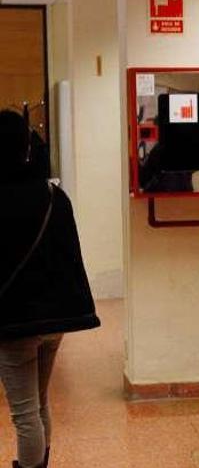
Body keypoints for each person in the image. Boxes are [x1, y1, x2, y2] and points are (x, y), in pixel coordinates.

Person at [0, 109, 101, 468]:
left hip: (13, 324)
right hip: (55, 321)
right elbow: (70, 256)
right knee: (39, 404)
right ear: (27, 146)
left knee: (24, 413)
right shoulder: (54, 196)